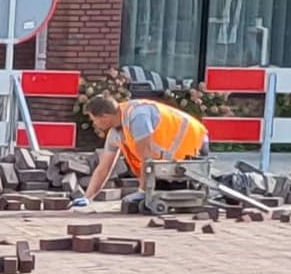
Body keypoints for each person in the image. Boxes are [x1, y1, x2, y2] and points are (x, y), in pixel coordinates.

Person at [76, 90, 208, 211]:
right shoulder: (116, 133)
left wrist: (143, 191)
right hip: (171, 161)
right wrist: (87, 198)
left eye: (94, 120)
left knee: (177, 198)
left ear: (104, 116)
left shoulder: (137, 117)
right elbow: (104, 168)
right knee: (162, 196)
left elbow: (147, 157)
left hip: (194, 143)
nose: (94, 124)